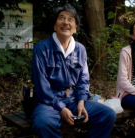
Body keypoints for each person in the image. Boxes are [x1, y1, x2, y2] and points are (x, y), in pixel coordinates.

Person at [31, 3, 116, 138]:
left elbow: (84, 79)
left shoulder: (80, 49)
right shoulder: (42, 48)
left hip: (74, 99)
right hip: (50, 102)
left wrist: (81, 101)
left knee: (108, 114)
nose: (65, 22)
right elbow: (42, 87)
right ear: (54, 26)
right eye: (61, 18)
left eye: (71, 19)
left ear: (75, 28)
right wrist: (61, 108)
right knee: (43, 123)